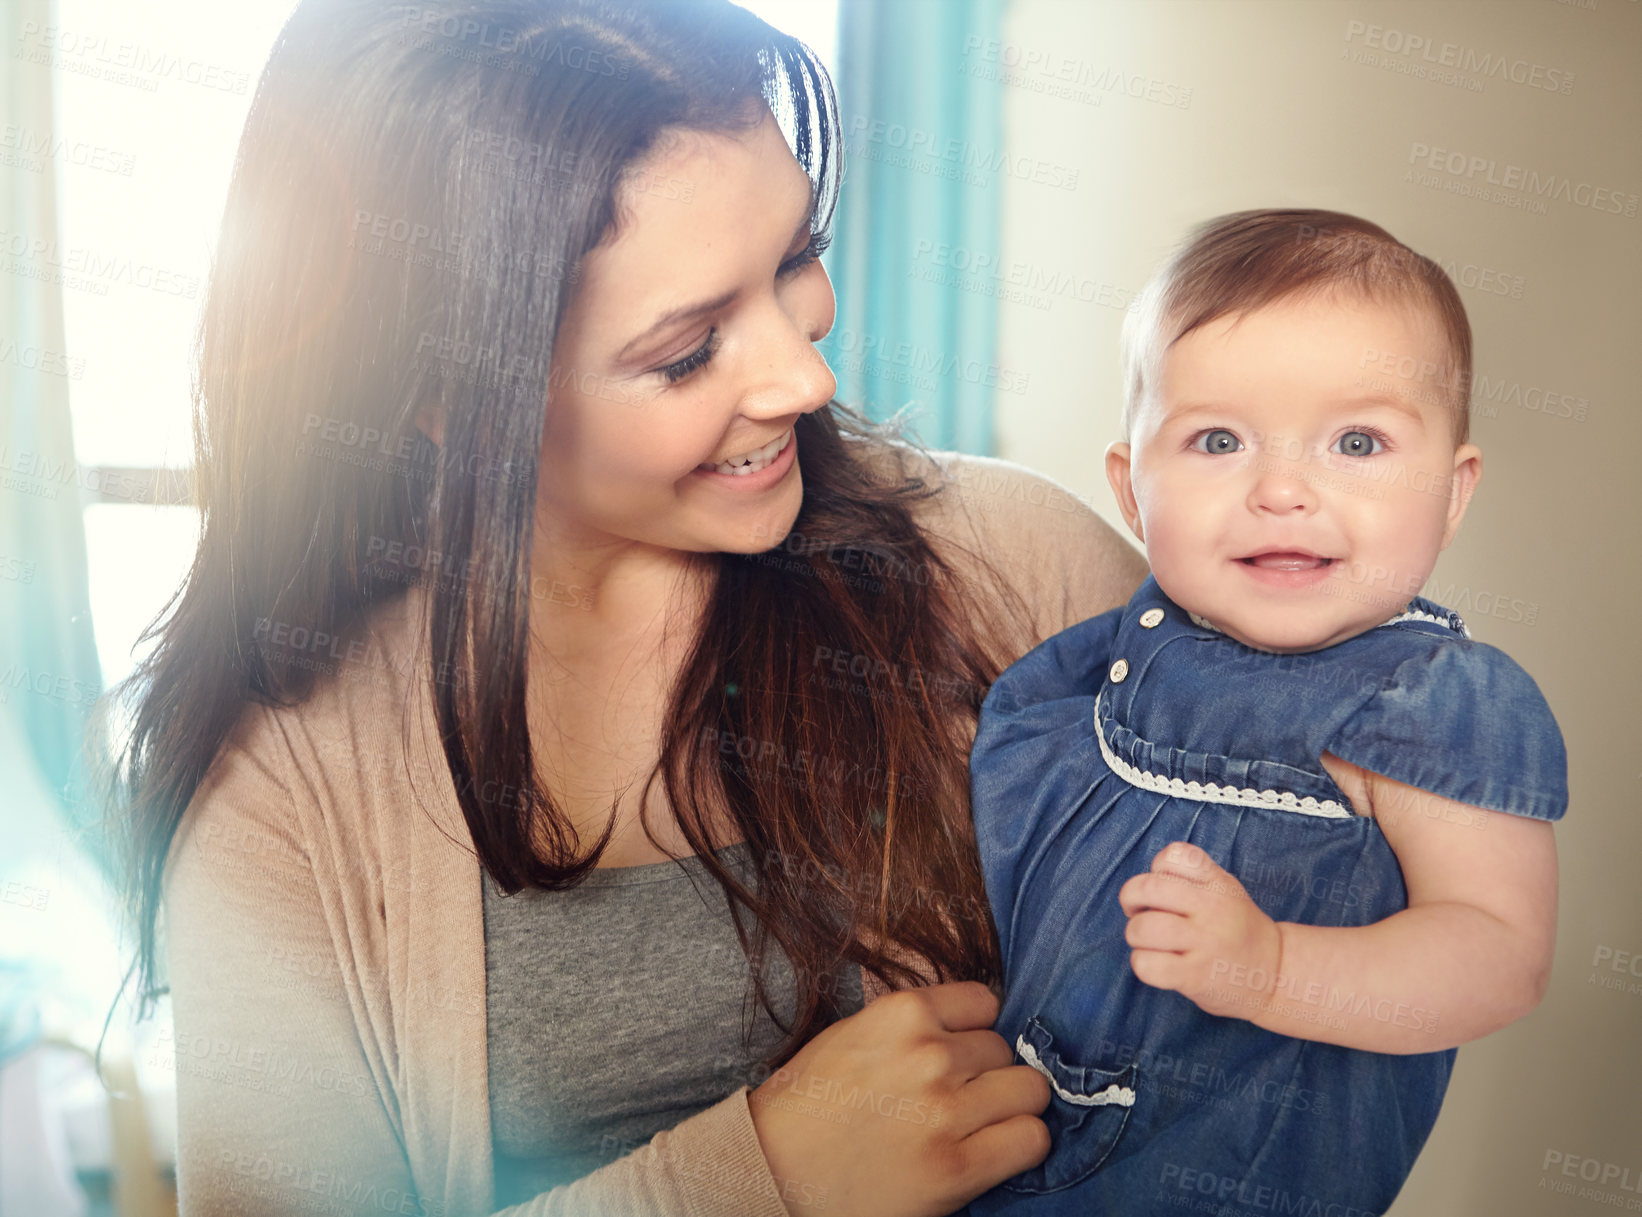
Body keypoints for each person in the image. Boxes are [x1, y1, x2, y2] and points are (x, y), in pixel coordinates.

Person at [98, 2, 1150, 1214]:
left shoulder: (1020, 566)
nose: (807, 376)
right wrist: (762, 1177)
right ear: (442, 393)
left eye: (795, 260)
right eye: (686, 349)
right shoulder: (284, 801)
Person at [961, 209, 1566, 1217]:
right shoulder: (1109, 652)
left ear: (1452, 492)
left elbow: (1500, 953)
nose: (1282, 488)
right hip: (1020, 1147)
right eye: (1218, 439)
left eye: (1357, 441)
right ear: (1130, 488)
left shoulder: (1429, 699)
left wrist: (1275, 967)